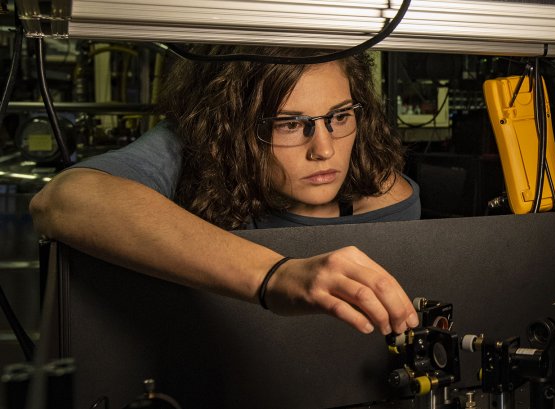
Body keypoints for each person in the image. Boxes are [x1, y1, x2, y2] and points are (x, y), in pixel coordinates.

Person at [29, 45, 421, 336]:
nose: (324, 149)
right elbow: (63, 199)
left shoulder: (386, 199)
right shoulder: (191, 148)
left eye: (339, 116)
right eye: (287, 124)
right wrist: (276, 277)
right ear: (230, 126)